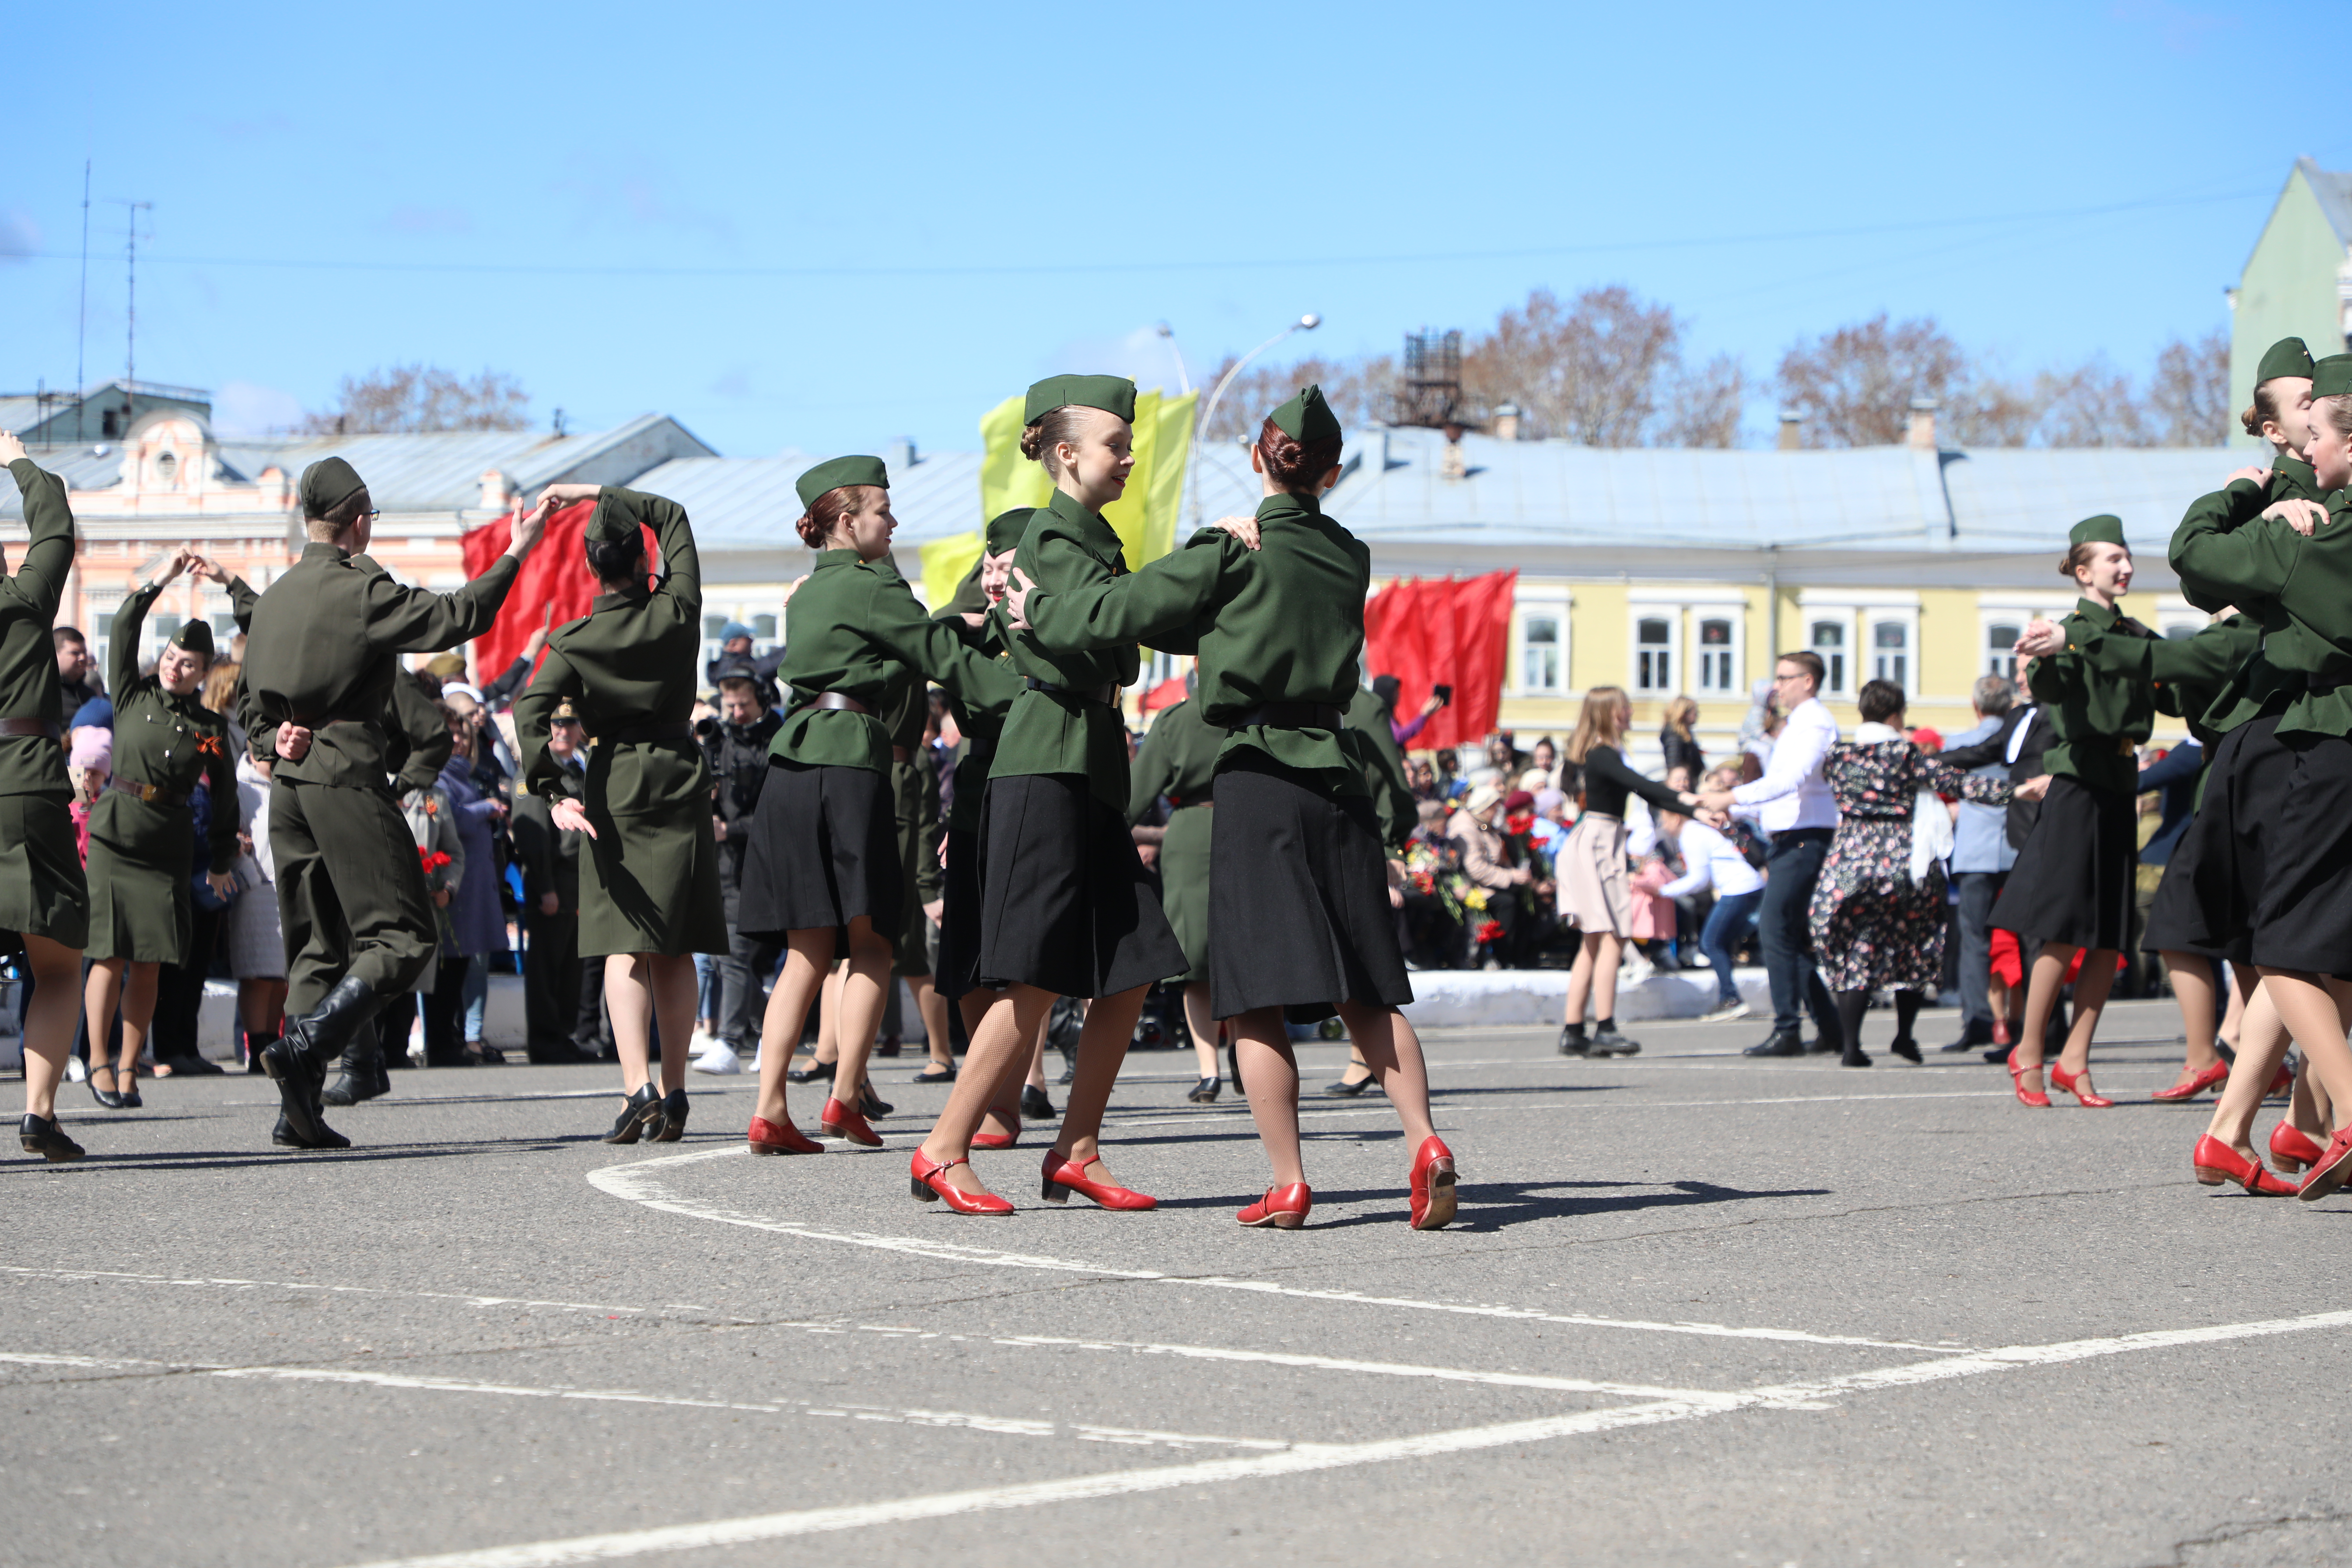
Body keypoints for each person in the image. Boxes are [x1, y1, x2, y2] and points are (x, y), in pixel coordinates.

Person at [1010, 385, 1456, 1229]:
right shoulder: (1349, 555)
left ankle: (1288, 1181)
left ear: (1258, 458)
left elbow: (1117, 614)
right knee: (1366, 989)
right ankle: (1425, 1141)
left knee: (1250, 994)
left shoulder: (1231, 552)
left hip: (1257, 775)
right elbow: (1228, 624)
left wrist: (1033, 605)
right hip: (1340, 775)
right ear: (1330, 473)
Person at [910, 375, 1251, 1215]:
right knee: (1033, 975)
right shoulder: (1052, 541)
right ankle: (943, 1149)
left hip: (1090, 762)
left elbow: (1151, 619)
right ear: (1066, 456)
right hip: (1046, 763)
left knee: (1132, 966)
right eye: (1117, 446)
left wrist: (1235, 569)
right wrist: (1214, 547)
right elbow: (1116, 614)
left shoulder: (1091, 537)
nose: (1131, 458)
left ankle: (1077, 1147)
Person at [241, 457, 537, 1148]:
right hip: (345, 773)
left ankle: (300, 1110)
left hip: (289, 784)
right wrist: (516, 550)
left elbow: (255, 712)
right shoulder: (359, 586)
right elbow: (457, 617)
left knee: (315, 949)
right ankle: (311, 1046)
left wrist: (271, 736)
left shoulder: (276, 593)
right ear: (361, 518)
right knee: (404, 935)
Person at [733, 456, 1003, 1160]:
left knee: (805, 949)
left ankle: (768, 1109)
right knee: (875, 942)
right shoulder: (869, 583)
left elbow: (889, 650)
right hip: (851, 757)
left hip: (791, 761)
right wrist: (991, 652)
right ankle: (845, 1095)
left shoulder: (813, 590)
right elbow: (929, 647)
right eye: (884, 509)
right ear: (848, 523)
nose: (895, 519)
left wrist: (938, 627)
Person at [2171, 357, 2352, 1195]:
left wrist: (2245, 491)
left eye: (2322, 428)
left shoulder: (2307, 529)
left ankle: (2325, 1115)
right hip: (2301, 737)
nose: (2308, 447)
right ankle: (2274, 1125)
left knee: (2284, 940)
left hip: (2319, 736)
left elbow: (2195, 558)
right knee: (2325, 944)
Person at [513, 481, 726, 1146]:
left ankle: (638, 1089)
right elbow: (677, 512)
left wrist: (552, 788)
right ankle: (679, 1091)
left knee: (622, 944)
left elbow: (529, 710)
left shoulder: (577, 638)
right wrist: (594, 491)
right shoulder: (677, 609)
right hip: (680, 774)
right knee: (675, 943)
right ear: (643, 559)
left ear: (589, 566)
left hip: (616, 784)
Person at [1998, 516, 2208, 1109]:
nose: (2125, 566)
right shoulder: (2065, 631)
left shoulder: (2138, 634)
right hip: (2077, 785)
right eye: (2112, 558)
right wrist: (2041, 655)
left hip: (2121, 783)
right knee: (2063, 933)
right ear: (2083, 571)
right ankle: (2031, 1051)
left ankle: (2075, 1061)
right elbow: (2051, 688)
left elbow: (2174, 690)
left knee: (2111, 939)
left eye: (2127, 556)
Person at [77, 551, 241, 1110]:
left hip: (168, 845)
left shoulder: (210, 728)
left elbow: (225, 793)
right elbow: (124, 623)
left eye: (189, 663)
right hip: (115, 837)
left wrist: (220, 859)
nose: (176, 667)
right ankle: (98, 1061)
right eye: (172, 657)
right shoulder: (131, 692)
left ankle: (129, 1066)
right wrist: (163, 579)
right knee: (107, 956)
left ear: (203, 672)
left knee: (147, 962)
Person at [1812, 681, 2027, 1066]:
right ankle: (1904, 1036)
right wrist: (2016, 792)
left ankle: (1851, 1046)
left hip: (1848, 864)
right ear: (1897, 715)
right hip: (1901, 862)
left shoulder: (1837, 756)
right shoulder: (1904, 753)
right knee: (1914, 941)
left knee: (1855, 946)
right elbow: (1957, 782)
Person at [4, 439, 95, 1161]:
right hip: (26, 779)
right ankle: (39, 1112)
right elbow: (55, 526)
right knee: (61, 963)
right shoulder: (24, 600)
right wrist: (19, 461)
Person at [1694, 652, 1843, 1059]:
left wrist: (1730, 796)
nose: (1777, 686)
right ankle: (1830, 1028)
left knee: (1776, 932)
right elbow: (1780, 794)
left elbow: (1790, 780)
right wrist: (1732, 808)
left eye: (1785, 677)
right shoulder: (1798, 724)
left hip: (1804, 838)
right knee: (1788, 937)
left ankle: (1788, 1028)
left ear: (1808, 681)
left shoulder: (1813, 722)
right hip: (1792, 837)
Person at [1555, 686, 1700, 1056]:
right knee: (1613, 935)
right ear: (1610, 713)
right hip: (1599, 841)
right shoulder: (1603, 753)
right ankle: (1604, 1027)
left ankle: (1574, 1029)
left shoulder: (1600, 752)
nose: (1632, 711)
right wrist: (1690, 804)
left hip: (1598, 839)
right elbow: (1645, 787)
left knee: (1594, 938)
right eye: (1625, 707)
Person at [1126, 690, 1223, 1102]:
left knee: (1195, 961)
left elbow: (1136, 793)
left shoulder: (1174, 719)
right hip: (1250, 825)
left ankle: (1209, 1071)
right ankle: (1246, 1054)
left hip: (1189, 832)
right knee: (1243, 950)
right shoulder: (1253, 709)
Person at [694, 666, 782, 1075]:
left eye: (743, 704)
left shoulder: (774, 739)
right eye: (729, 704)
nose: (736, 712)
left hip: (762, 861)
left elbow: (774, 809)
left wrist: (730, 828)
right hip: (725, 865)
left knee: (745, 955)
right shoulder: (719, 739)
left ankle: (738, 1039)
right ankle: (762, 1034)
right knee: (730, 955)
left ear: (761, 700)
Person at [509, 701, 597, 1063]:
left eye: (570, 723)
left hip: (577, 881)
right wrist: (545, 887)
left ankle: (562, 1034)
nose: (563, 731)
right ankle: (545, 1040)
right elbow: (532, 837)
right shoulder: (535, 772)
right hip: (552, 879)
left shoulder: (579, 769)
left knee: (570, 965)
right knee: (546, 966)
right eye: (555, 725)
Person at [1938, 676, 2023, 1051]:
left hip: (1975, 850)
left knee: (1975, 939)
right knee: (2024, 938)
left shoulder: (1957, 744)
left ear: (1976, 706)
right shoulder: (2021, 739)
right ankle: (2025, 1020)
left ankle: (1979, 1018)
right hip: (2018, 846)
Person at [1658, 765, 1765, 1022]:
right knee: (1720, 942)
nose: (1662, 824)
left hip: (1740, 888)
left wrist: (1663, 891)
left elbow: (1699, 879)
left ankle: (1731, 998)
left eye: (1664, 819)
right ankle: (1729, 996)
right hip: (1746, 887)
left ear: (1674, 818)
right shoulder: (1696, 831)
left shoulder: (1691, 834)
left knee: (1711, 942)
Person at [705, 620, 785, 710]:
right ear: (734, 644)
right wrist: (792, 649)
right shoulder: (732, 668)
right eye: (747, 638)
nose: (752, 641)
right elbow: (766, 666)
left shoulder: (730, 664)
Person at [54, 626, 100, 713]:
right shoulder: (44, 694)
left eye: (84, 653)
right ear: (55, 655)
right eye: (75, 653)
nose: (83, 658)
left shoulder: (90, 696)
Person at [1660, 695, 1705, 780]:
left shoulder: (1685, 735)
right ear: (1684, 714)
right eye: (1695, 712)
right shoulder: (1674, 736)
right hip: (1684, 783)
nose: (1697, 715)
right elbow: (1674, 765)